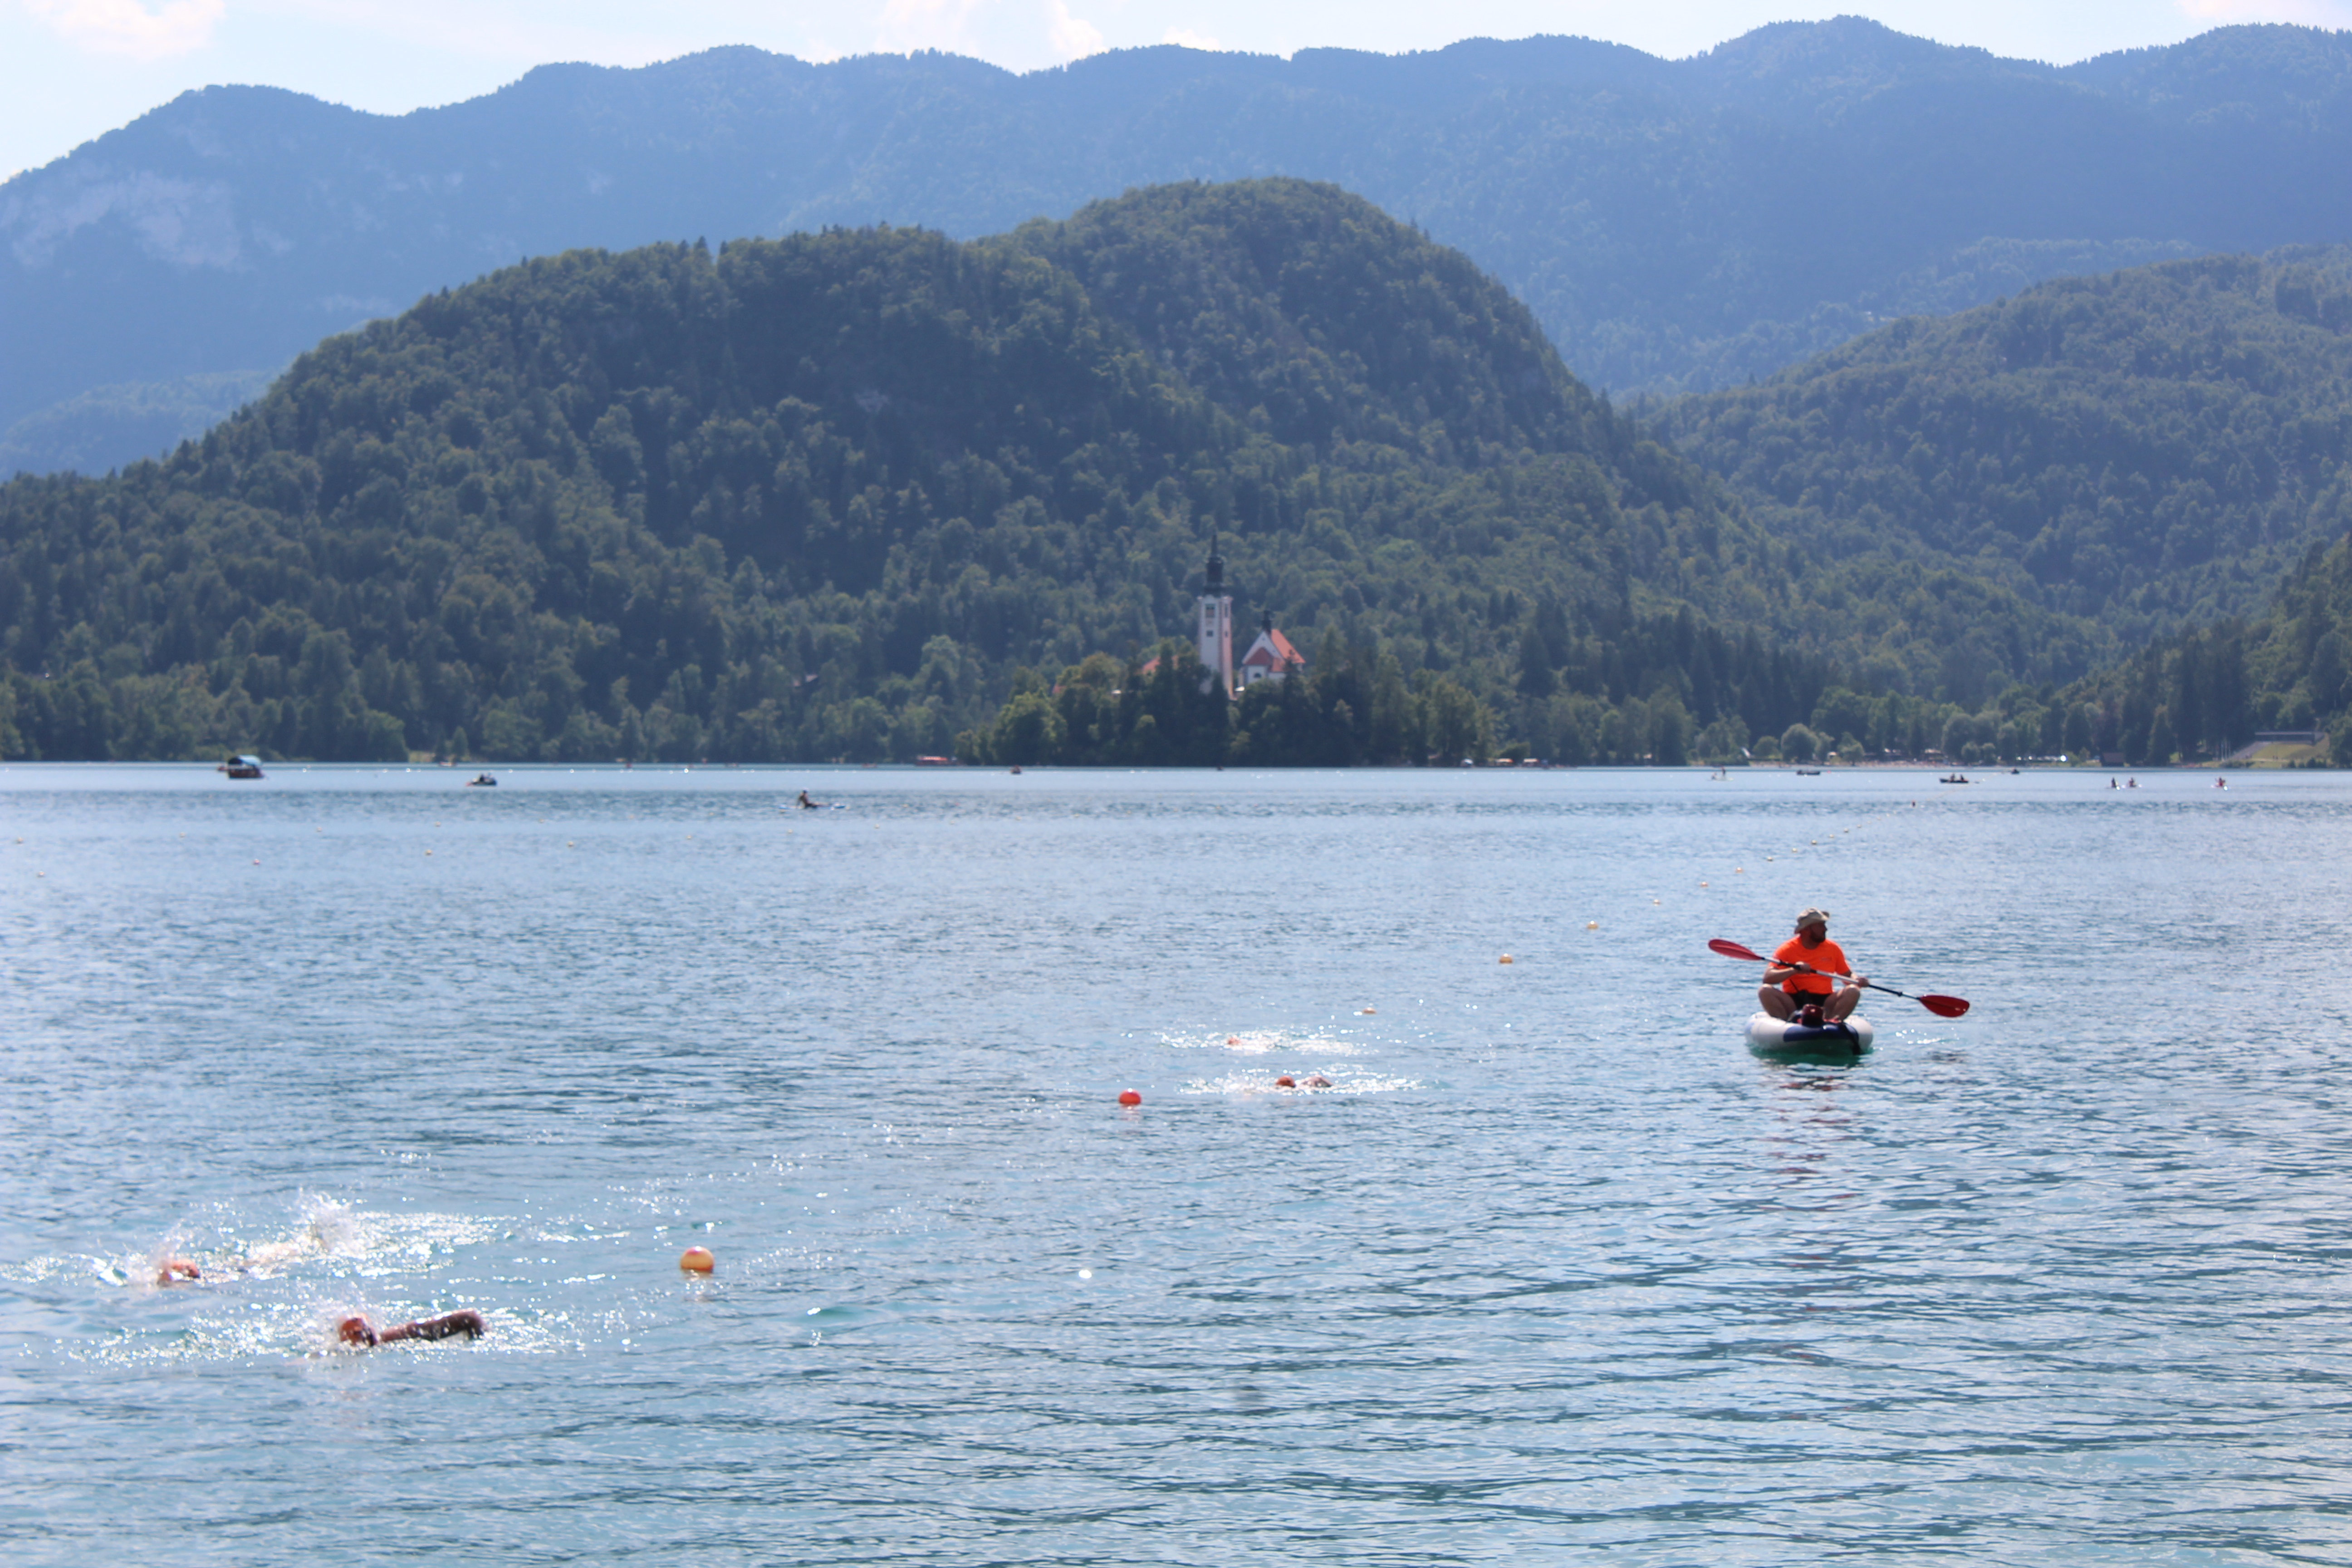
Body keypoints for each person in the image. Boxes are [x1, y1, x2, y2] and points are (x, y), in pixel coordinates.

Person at [1759, 907, 1868, 1023]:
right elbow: (1768, 978)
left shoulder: (1833, 948)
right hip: (1794, 1000)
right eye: (1821, 925)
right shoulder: (1787, 949)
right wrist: (1794, 970)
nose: (1825, 929)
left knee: (1853, 991)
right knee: (1765, 991)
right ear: (1807, 929)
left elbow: (1847, 976)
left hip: (1825, 1001)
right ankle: (1786, 1025)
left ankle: (1833, 1022)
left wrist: (1857, 980)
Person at [337, 1309, 487, 1347]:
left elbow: (471, 1317)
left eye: (364, 1332)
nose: (363, 1336)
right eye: (356, 1334)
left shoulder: (400, 1336)